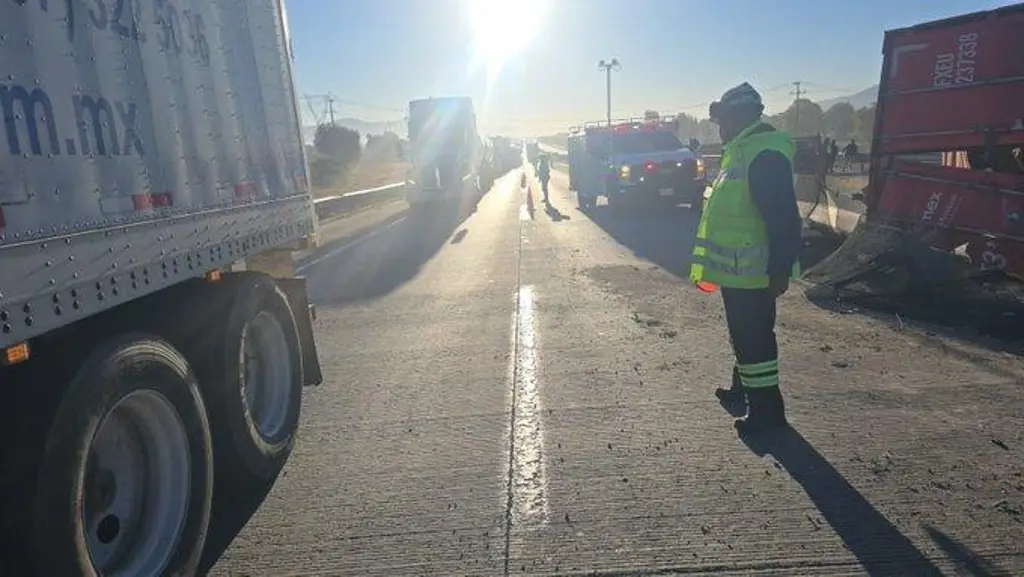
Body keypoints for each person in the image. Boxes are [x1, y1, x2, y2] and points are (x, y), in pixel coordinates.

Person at [689, 82, 803, 434]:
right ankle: (742, 392)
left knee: (755, 341)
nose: (720, 130)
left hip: (756, 273)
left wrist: (779, 271)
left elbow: (784, 217)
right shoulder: (741, 149)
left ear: (739, 118)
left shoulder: (763, 152)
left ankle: (768, 415)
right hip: (741, 272)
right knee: (745, 336)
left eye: (723, 121)